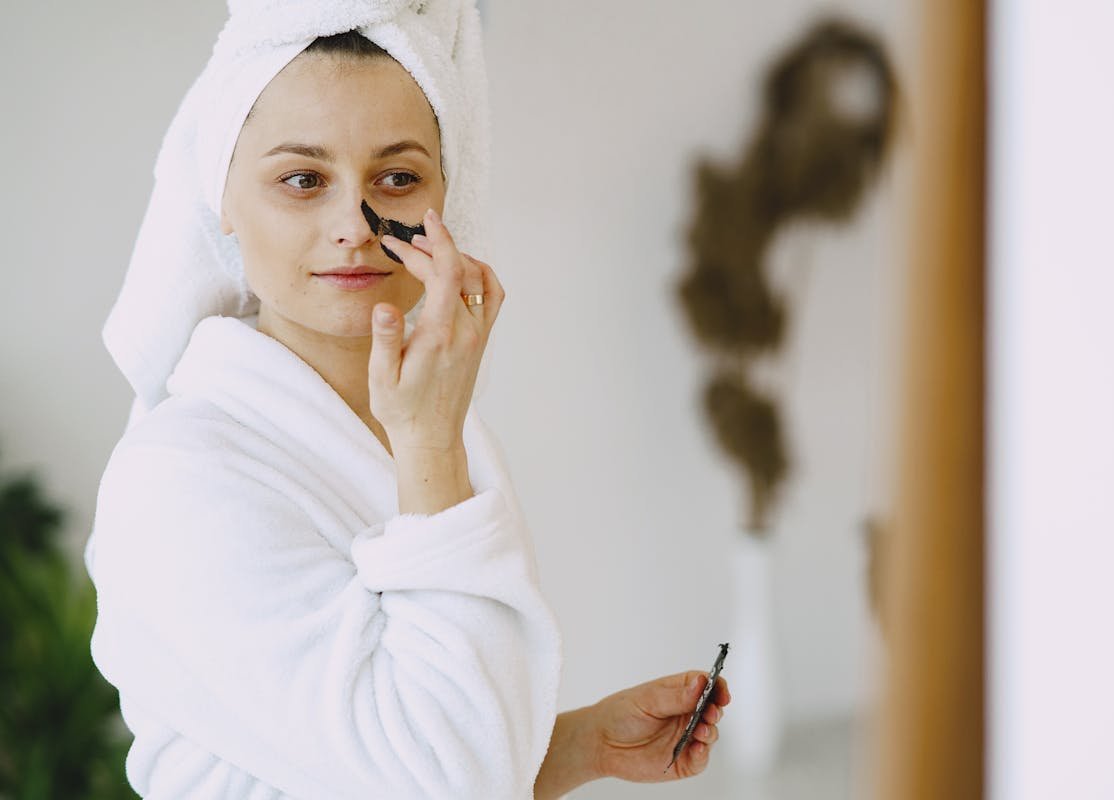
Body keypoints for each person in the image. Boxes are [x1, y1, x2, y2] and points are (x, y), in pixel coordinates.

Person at [85, 6, 728, 798]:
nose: (355, 226)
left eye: (397, 178)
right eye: (302, 180)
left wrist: (571, 747)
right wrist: (429, 447)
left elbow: (401, 752)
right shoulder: (178, 480)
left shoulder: (413, 417)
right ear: (222, 199)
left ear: (443, 198)